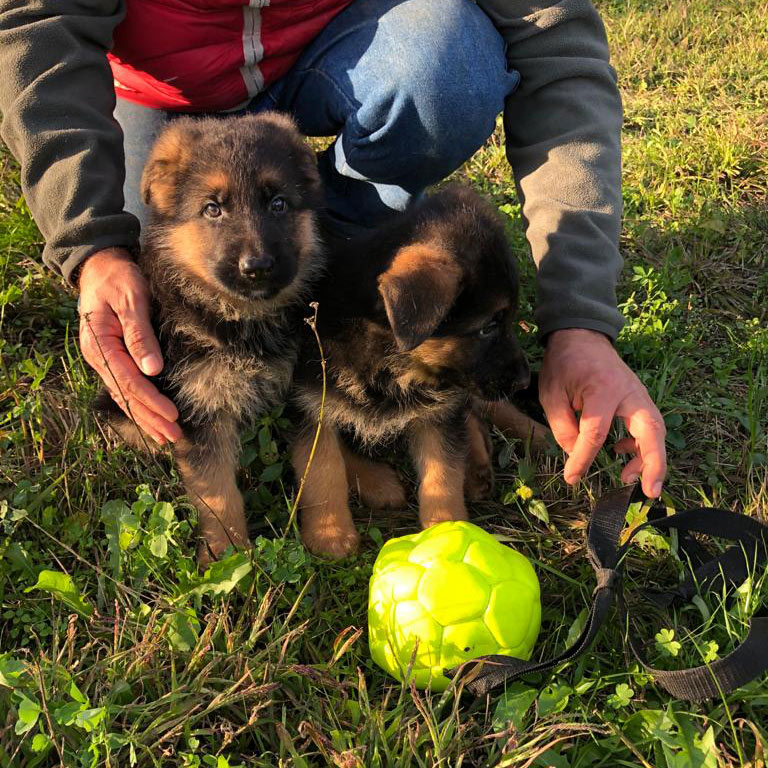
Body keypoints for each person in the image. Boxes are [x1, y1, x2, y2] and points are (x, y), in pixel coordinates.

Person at [0, 0, 666, 498]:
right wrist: (92, 242)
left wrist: (581, 324)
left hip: (330, 50)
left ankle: (341, 318)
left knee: (447, 70)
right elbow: (38, 22)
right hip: (156, 90)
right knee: (170, 269)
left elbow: (554, 43)